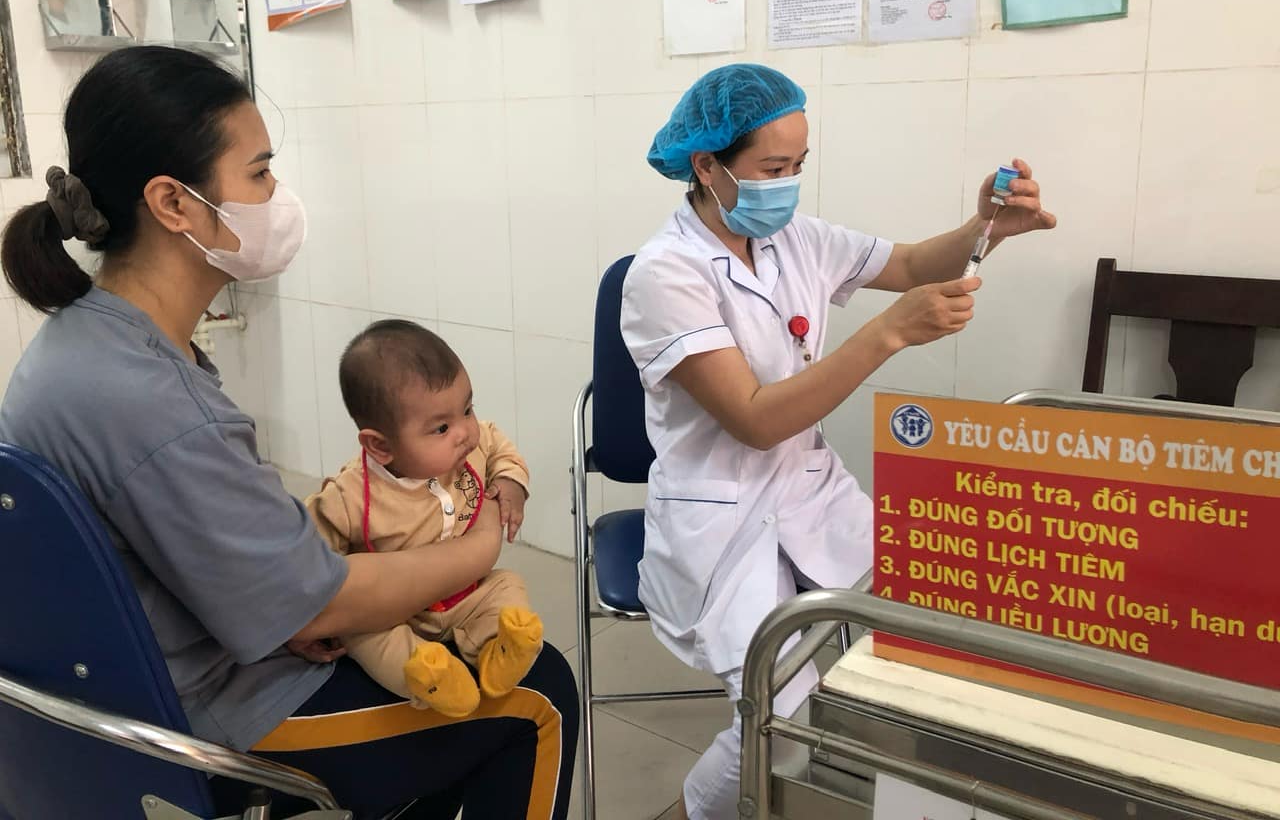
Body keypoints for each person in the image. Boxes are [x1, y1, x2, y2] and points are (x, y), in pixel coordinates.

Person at [0, 46, 577, 820]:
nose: (278, 197)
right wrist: (477, 548)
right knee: (541, 697)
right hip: (210, 713)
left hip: (113, 687)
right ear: (174, 203)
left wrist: (291, 606)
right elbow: (320, 605)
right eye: (260, 173)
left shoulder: (82, 345)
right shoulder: (150, 400)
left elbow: (209, 556)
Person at [620, 63, 1056, 820]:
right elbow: (755, 417)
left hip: (810, 490)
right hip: (721, 521)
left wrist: (987, 225)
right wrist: (886, 335)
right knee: (783, 723)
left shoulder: (797, 238)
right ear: (706, 165)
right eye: (771, 168)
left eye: (798, 167)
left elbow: (917, 264)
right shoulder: (665, 274)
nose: (786, 185)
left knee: (941, 613)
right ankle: (698, 811)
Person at [306, 320, 543, 718]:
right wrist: (311, 614)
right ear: (380, 446)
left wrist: (510, 481)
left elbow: (500, 447)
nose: (466, 431)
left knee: (507, 587)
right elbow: (307, 550)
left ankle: (498, 652)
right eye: (442, 427)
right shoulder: (349, 497)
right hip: (396, 612)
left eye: (467, 408)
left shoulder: (473, 441)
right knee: (365, 635)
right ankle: (429, 676)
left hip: (468, 591)